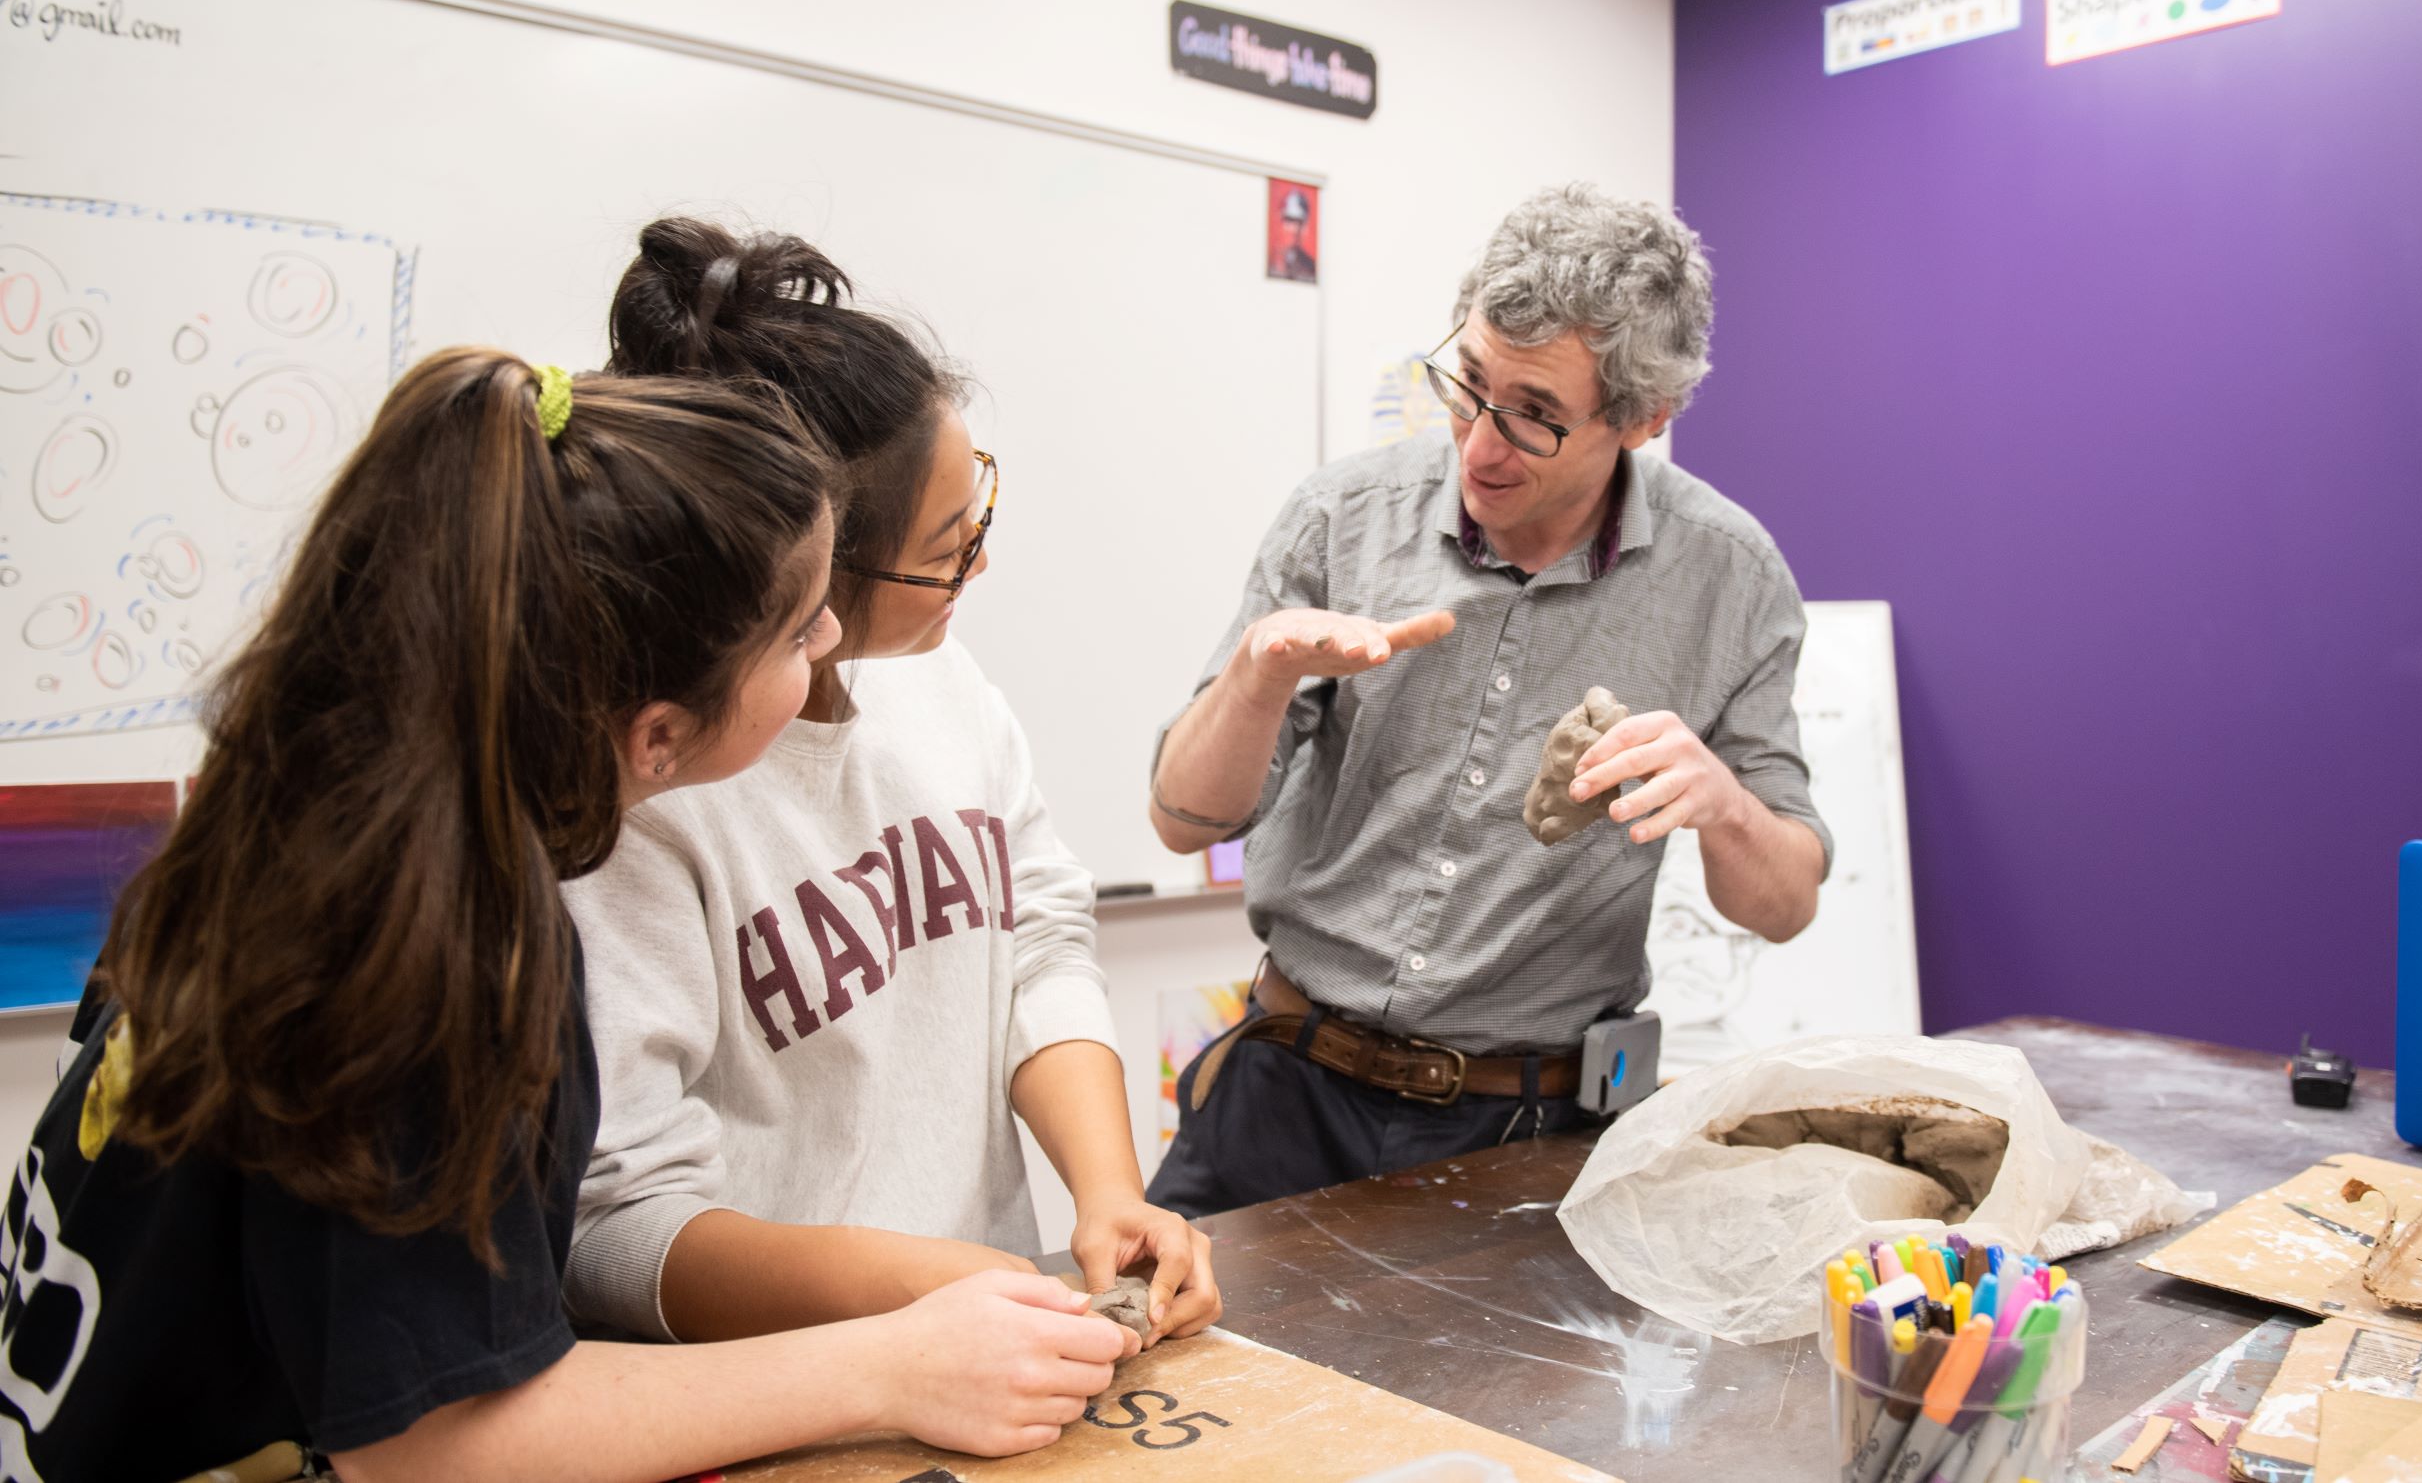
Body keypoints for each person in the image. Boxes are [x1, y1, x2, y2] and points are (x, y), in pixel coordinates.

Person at [0, 349, 1130, 1481]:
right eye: (795, 635)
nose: (830, 644)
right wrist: (891, 1367)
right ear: (656, 735)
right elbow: (435, 1446)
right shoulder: (438, 959)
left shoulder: (304, 808)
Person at [564, 219, 1219, 1349]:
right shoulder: (648, 790)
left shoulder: (939, 675)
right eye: (946, 541)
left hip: (981, 1332)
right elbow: (613, 1232)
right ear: (812, 566)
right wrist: (911, 1294)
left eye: (978, 515)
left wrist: (1105, 1195)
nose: (976, 563)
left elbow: (1042, 941)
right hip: (785, 1377)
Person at [1146, 184, 1832, 1216]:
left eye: (1535, 418)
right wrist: (1256, 677)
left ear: (1643, 419)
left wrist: (1724, 805)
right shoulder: (1341, 518)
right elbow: (1179, 820)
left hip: (1530, 1136)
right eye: (1468, 384)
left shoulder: (1730, 579)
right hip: (1282, 1089)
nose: (1477, 445)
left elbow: (1781, 907)